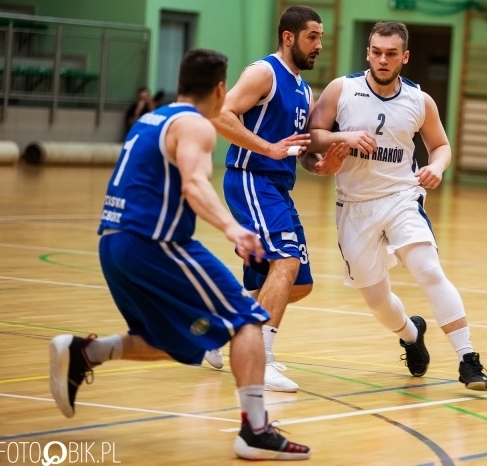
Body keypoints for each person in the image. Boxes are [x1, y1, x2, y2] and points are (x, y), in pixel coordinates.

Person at [48, 48, 311, 460]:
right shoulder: (196, 126)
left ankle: (86, 352)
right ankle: (255, 431)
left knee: (169, 338)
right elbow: (194, 184)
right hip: (153, 242)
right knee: (249, 321)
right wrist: (231, 227)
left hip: (112, 242)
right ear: (221, 89)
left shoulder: (151, 118)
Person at [302, 22, 487, 391]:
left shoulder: (420, 100)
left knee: (429, 270)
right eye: (377, 52)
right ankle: (410, 333)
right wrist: (344, 136)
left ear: (404, 57)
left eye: (391, 53)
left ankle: (468, 360)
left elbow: (441, 146)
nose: (383, 59)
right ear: (367, 53)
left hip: (402, 197)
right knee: (376, 299)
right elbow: (314, 136)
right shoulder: (343, 89)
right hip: (354, 205)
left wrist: (435, 167)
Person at [212, 5, 337, 393]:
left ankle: (222, 333)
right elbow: (220, 114)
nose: (318, 44)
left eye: (321, 37)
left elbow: (292, 152)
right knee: (285, 260)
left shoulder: (302, 88)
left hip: (277, 186)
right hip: (251, 179)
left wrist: (321, 167)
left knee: (298, 282)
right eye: (312, 36)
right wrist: (266, 148)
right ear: (288, 37)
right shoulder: (263, 72)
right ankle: (259, 359)